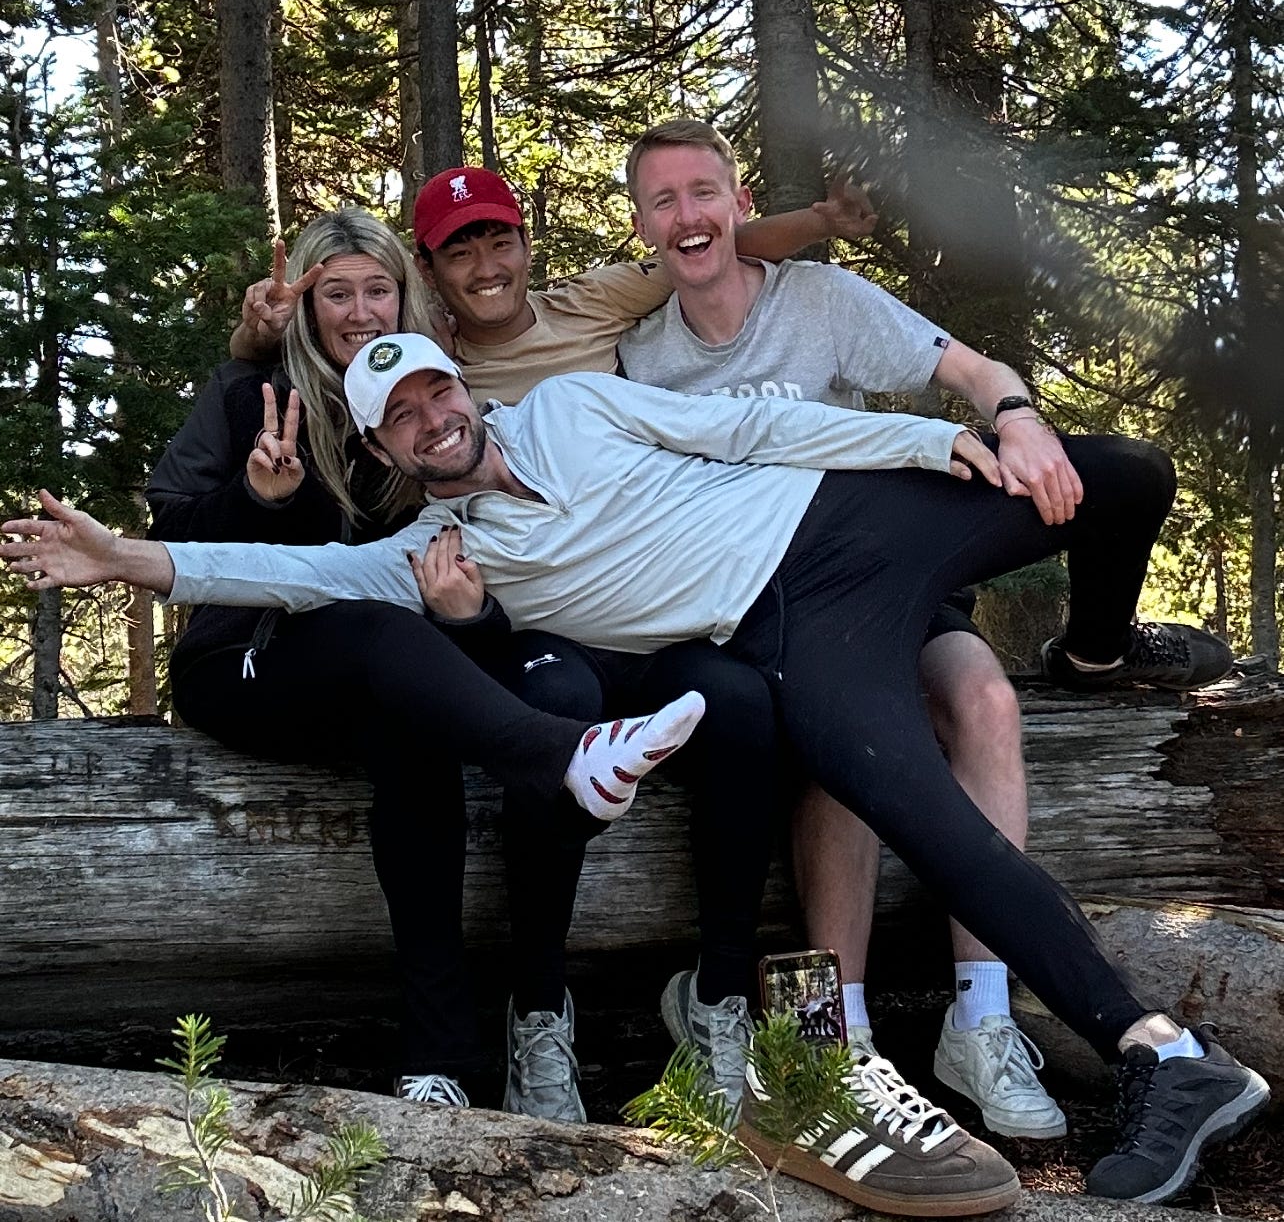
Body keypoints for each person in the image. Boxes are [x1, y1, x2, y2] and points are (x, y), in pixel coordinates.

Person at [6, 335, 1268, 1207]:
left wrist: (932, 440)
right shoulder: (438, 554)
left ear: (463, 388)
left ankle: (1098, 652)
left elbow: (749, 425)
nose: (434, 417)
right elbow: (281, 573)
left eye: (438, 390)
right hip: (795, 640)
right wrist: (125, 559)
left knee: (1119, 476)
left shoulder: (570, 405)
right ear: (387, 450)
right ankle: (1164, 1057)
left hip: (850, 516)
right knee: (927, 819)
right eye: (403, 416)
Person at [615, 118, 1232, 1137]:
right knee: (841, 750)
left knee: (987, 696)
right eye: (664, 200)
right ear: (642, 224)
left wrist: (1019, 417)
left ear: (739, 203)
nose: (689, 215)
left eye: (705, 192)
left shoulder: (819, 300)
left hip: (893, 561)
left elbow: (970, 370)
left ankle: (982, 1020)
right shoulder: (637, 359)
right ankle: (838, 1040)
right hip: (774, 610)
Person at [143, 210, 704, 1110]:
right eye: (336, 294)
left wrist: (475, 621)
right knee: (380, 634)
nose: (360, 311)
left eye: (377, 289)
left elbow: (469, 577)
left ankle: (437, 1061)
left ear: (403, 297)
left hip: (380, 676)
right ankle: (560, 757)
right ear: (307, 308)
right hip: (246, 663)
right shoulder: (253, 392)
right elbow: (173, 528)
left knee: (413, 733)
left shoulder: (427, 408)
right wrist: (259, 498)